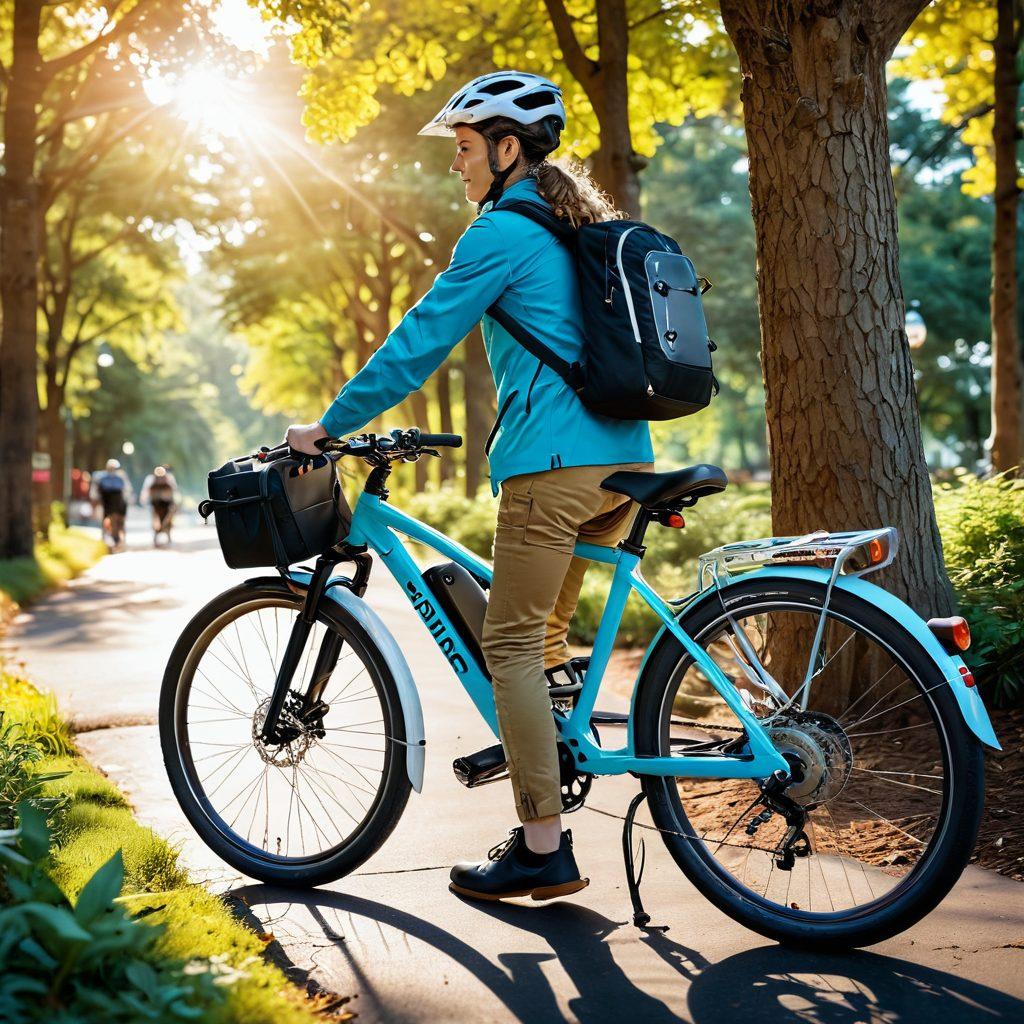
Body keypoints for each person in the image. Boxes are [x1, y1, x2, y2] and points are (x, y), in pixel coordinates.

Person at [287, 71, 654, 903]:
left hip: (551, 473)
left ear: (507, 149)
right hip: (618, 463)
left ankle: (542, 845)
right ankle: (548, 758)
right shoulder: (569, 227)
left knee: (511, 646)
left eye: (462, 149)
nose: (456, 166)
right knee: (545, 637)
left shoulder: (499, 236)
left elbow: (419, 341)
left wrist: (328, 425)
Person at [90, 459, 134, 550]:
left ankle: (118, 539)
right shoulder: (101, 477)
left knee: (120, 521)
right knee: (108, 520)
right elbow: (95, 492)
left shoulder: (120, 476)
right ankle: (108, 538)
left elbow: (127, 490)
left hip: (117, 503)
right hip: (108, 504)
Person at [140, 465, 179, 546]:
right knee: (155, 520)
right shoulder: (150, 479)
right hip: (155, 504)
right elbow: (146, 490)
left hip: (166, 504)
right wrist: (144, 499)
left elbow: (173, 490)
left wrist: (174, 502)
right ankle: (156, 537)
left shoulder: (169, 478)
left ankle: (168, 537)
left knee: (168, 520)